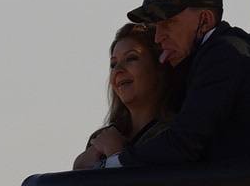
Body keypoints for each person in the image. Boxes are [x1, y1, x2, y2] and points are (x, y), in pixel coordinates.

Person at [117, 0, 250, 169]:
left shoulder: (224, 55)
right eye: (156, 26)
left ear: (205, 20)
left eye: (168, 23)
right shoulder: (209, 54)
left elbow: (183, 144)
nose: (158, 37)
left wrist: (111, 163)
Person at [75, 24, 176, 170]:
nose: (118, 70)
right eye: (113, 64)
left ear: (159, 68)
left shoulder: (172, 135)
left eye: (131, 58)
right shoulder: (100, 138)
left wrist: (115, 153)